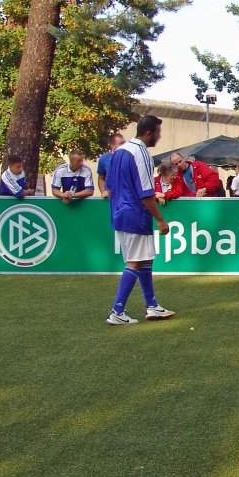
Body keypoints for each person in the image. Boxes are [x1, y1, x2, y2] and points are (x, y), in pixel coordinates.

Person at [105, 115, 174, 325]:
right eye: (158, 132)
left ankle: (152, 305)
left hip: (119, 211)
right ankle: (117, 310)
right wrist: (161, 220)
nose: (159, 137)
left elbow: (110, 184)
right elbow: (146, 192)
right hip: (135, 213)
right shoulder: (141, 153)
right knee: (135, 262)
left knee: (144, 259)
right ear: (148, 132)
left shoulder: (118, 152)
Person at [96, 133, 125, 199]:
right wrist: (103, 192)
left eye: (124, 143)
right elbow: (101, 178)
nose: (124, 145)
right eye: (121, 143)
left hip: (126, 197)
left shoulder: (129, 157)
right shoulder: (104, 159)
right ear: (112, 145)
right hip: (110, 198)